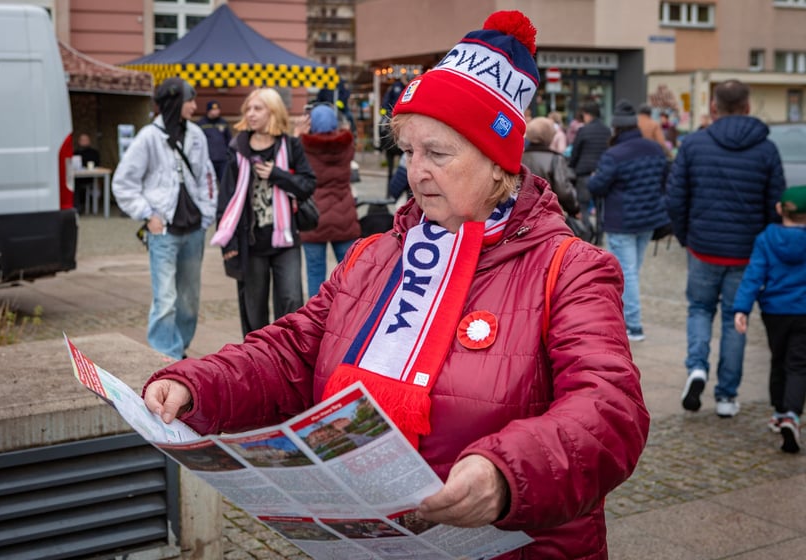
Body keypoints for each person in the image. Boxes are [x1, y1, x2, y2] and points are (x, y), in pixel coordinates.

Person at [143, 11, 649, 558]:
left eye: (437, 153)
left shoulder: (569, 266)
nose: (415, 172)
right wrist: (200, 384)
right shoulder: (375, 253)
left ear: (497, 163)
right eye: (408, 151)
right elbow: (292, 351)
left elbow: (608, 409)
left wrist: (507, 475)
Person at [667, 79, 786, 417]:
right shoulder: (766, 149)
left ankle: (697, 368)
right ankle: (727, 396)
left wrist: (686, 236)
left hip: (703, 247)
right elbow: (774, 204)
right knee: (738, 318)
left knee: (700, 310)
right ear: (748, 106)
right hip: (746, 253)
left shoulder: (694, 144)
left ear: (714, 107)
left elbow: (675, 198)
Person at [112, 77, 217, 360]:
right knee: (166, 299)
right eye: (190, 100)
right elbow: (123, 183)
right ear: (174, 103)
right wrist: (147, 215)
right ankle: (162, 357)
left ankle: (179, 351)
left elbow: (207, 176)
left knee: (189, 300)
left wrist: (207, 215)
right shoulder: (148, 137)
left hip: (194, 229)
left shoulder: (196, 135)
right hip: (164, 232)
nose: (195, 106)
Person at [211, 87, 316, 338]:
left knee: (291, 301)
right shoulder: (238, 149)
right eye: (248, 108)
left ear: (273, 112)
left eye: (258, 108)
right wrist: (229, 244)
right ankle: (256, 362)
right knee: (254, 310)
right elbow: (226, 200)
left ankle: (288, 356)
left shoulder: (289, 146)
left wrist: (277, 175)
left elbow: (308, 184)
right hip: (252, 243)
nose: (251, 113)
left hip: (285, 241)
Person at [587, 99, 671, 342]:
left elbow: (597, 186)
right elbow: (665, 180)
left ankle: (633, 325)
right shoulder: (655, 149)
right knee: (633, 270)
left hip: (621, 221)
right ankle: (628, 319)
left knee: (627, 273)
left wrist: (594, 178)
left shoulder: (614, 155)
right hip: (649, 219)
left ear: (616, 128)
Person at [733, 185, 806, 452]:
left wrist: (741, 308)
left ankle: (778, 413)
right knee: (798, 364)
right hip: (804, 311)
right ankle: (792, 414)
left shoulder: (767, 238)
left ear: (779, 209)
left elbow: (754, 275)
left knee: (778, 359)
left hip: (774, 312)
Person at [299, 104, 361, 298]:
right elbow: (348, 133)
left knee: (314, 273)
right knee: (349, 272)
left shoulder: (304, 148)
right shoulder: (346, 146)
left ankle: (315, 322)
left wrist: (299, 132)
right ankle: (349, 316)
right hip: (344, 217)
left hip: (314, 218)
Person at [520, 116, 580, 218]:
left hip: (522, 214)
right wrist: (575, 209)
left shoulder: (520, 157)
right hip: (548, 214)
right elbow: (563, 191)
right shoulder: (555, 159)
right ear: (549, 135)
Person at [568, 100, 611, 219]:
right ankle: (600, 234)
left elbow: (575, 153)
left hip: (584, 174)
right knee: (601, 207)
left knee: (583, 206)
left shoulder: (583, 130)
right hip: (602, 173)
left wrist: (571, 168)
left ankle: (587, 232)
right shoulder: (607, 131)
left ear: (587, 114)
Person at [198, 100, 232, 185]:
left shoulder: (223, 123)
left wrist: (229, 154)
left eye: (217, 109)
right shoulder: (201, 124)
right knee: (209, 183)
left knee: (224, 182)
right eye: (213, 110)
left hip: (222, 159)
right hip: (208, 159)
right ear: (208, 111)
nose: (216, 112)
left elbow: (229, 139)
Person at [73, 133, 100, 213]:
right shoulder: (75, 153)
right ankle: (77, 207)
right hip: (77, 177)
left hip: (89, 177)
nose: (84, 142)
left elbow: (97, 164)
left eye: (86, 140)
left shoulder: (94, 153)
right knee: (73, 184)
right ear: (79, 141)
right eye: (82, 140)